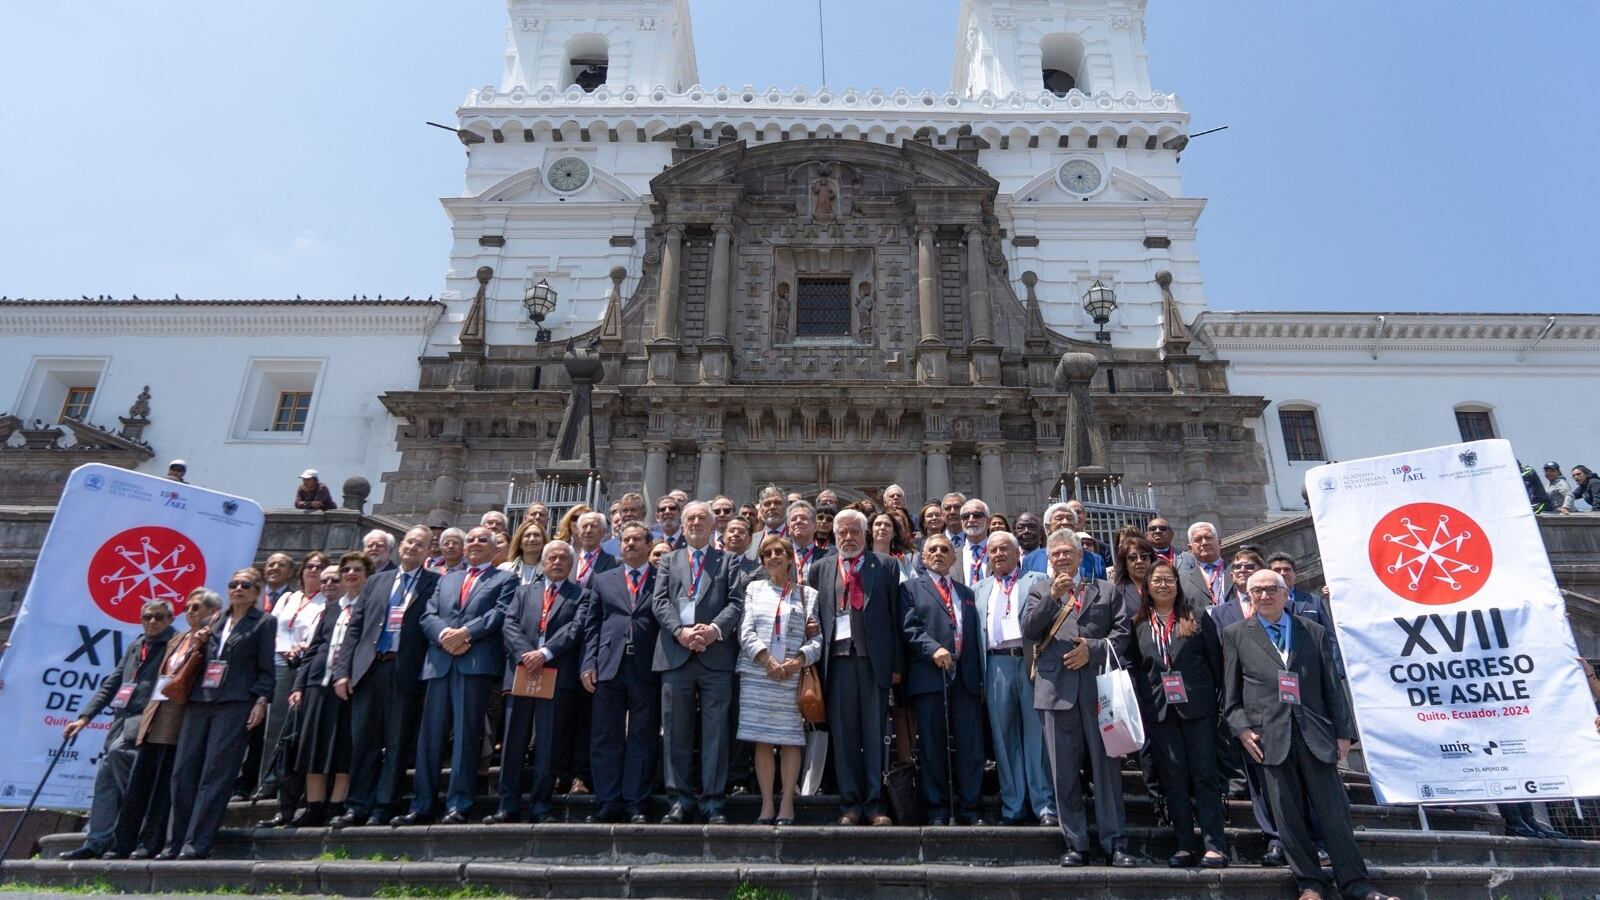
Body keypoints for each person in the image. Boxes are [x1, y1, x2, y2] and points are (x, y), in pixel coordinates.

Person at [1223, 570, 1399, 900]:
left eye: (1270, 589)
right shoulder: (1235, 635)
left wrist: (1343, 732)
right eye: (1256, 591)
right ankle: (1310, 884)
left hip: (1315, 734)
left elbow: (1332, 684)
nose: (1264, 596)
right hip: (1269, 738)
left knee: (1335, 814)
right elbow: (1231, 695)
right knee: (1287, 817)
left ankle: (1356, 884)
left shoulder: (1312, 631)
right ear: (1249, 596)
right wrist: (1242, 729)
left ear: (1285, 593)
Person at [1020, 528, 1132, 868]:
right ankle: (1076, 843)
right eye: (1055, 554)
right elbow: (1028, 631)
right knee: (1064, 773)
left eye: (1067, 553)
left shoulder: (1106, 591)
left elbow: (1123, 634)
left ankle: (1116, 842)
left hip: (1098, 690)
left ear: (1081, 556)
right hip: (1055, 692)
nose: (1062, 558)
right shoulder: (1040, 591)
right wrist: (1054, 598)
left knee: (1107, 771)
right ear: (1048, 559)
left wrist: (1093, 650)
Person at [397, 527, 517, 826]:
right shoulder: (445, 578)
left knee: (466, 736)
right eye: (471, 539)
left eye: (483, 540)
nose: (475, 543)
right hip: (440, 662)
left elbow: (500, 613)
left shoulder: (505, 578)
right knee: (430, 737)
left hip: (474, 663)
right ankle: (422, 803)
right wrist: (443, 635)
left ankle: (458, 803)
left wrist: (466, 633)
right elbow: (428, 615)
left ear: (495, 549)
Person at [162, 568, 276, 860]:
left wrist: (261, 700)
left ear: (256, 591)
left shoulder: (263, 622)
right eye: (233, 584)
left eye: (245, 585)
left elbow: (266, 668)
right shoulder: (215, 620)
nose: (238, 588)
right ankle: (174, 842)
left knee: (216, 773)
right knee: (183, 771)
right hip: (200, 699)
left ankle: (197, 843)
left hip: (235, 702)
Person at [330, 526, 439, 827]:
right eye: (409, 542)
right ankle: (357, 805)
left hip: (405, 671)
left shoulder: (434, 584)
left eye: (421, 544)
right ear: (401, 546)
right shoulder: (376, 581)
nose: (413, 547)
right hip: (369, 669)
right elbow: (355, 629)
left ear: (429, 551)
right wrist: (343, 673)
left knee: (397, 741)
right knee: (363, 741)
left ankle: (384, 805)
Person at [58, 600, 177, 860]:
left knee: (122, 765)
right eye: (147, 617)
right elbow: (113, 682)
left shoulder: (175, 643)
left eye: (159, 617)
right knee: (106, 779)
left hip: (147, 723)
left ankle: (138, 832)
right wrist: (84, 717)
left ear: (170, 619)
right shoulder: (137, 644)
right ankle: (96, 841)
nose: (153, 622)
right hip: (121, 721)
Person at [1128, 561, 1227, 868]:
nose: (1162, 585)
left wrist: (1219, 708)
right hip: (1160, 713)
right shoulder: (1139, 624)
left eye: (1168, 580)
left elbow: (1216, 664)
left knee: (1204, 776)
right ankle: (1184, 844)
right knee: (1174, 778)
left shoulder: (1196, 617)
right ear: (1147, 587)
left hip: (1198, 710)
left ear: (1177, 584)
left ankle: (1215, 845)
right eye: (1156, 580)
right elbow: (1137, 669)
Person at [652, 500, 745, 824]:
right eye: (690, 518)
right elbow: (660, 601)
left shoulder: (729, 561)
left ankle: (712, 802)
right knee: (675, 731)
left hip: (715, 656)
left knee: (716, 734)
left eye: (701, 519)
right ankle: (679, 801)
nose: (695, 523)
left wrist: (714, 630)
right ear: (683, 523)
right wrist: (680, 632)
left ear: (711, 526)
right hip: (676, 656)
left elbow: (736, 602)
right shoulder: (668, 559)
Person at [809, 509, 903, 825]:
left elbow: (896, 618)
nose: (849, 538)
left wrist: (896, 664)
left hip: (873, 662)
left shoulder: (887, 566)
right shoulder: (820, 568)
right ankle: (849, 804)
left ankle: (875, 805)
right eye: (843, 532)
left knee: (875, 734)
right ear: (835, 536)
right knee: (844, 735)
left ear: (866, 535)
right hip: (835, 664)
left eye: (854, 532)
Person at [111, 589, 218, 859]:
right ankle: (124, 842)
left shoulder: (212, 640)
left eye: (196, 608)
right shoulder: (177, 640)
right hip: (156, 711)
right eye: (187, 608)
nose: (190, 613)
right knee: (141, 781)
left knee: (163, 785)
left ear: (211, 612)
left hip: (179, 715)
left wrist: (201, 643)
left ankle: (152, 842)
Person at [488, 541, 589, 823]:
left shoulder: (581, 595)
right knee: (513, 741)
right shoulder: (522, 592)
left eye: (562, 559)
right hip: (522, 671)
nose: (557, 562)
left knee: (548, 742)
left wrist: (545, 653)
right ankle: (506, 805)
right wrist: (526, 654)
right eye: (551, 558)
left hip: (555, 672)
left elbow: (576, 629)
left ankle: (541, 805)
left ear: (571, 566)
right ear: (543, 563)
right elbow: (509, 624)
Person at [737, 535, 823, 825]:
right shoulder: (753, 589)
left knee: (789, 740)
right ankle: (766, 804)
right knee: (762, 739)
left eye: (779, 552)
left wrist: (798, 660)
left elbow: (817, 639)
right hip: (759, 673)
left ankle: (787, 802)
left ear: (790, 558)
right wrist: (766, 660)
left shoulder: (808, 595)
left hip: (791, 675)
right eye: (767, 553)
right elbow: (745, 630)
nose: (773, 557)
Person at [900, 534, 984, 826]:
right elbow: (909, 628)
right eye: (932, 549)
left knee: (971, 746)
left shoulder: (967, 592)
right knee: (933, 746)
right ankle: (936, 808)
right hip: (930, 675)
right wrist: (932, 648)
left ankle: (971, 808)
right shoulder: (910, 588)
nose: (938, 553)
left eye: (944, 549)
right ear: (923, 558)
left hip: (966, 678)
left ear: (954, 557)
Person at [974, 531, 1056, 827]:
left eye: (1003, 549)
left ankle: (1044, 804)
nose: (997, 554)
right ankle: (1013, 804)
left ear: (1017, 553)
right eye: (992, 550)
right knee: (1004, 738)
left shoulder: (1034, 580)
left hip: (1031, 663)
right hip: (996, 666)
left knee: (1038, 736)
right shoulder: (979, 588)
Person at [582, 522, 662, 824]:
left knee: (642, 735)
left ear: (648, 544)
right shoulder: (602, 579)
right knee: (606, 736)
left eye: (635, 540)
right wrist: (588, 664)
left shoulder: (661, 578)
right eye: (625, 540)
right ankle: (608, 800)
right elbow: (591, 625)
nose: (629, 544)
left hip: (646, 666)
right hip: (608, 665)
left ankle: (635, 802)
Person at [288, 554, 370, 826]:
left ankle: (337, 804)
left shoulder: (369, 607)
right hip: (317, 683)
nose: (350, 574)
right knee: (313, 744)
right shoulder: (331, 608)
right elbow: (312, 649)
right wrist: (299, 685)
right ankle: (314, 805)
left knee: (343, 746)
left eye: (356, 570)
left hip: (350, 686)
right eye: (346, 570)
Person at [258, 552, 328, 824]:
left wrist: (298, 650)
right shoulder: (288, 598)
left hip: (300, 666)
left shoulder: (326, 601)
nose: (314, 570)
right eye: (310, 566)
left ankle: (283, 782)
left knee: (288, 728)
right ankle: (266, 780)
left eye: (320, 567)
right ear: (301, 571)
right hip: (275, 661)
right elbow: (272, 628)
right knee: (269, 728)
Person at [1266, 553, 1344, 677]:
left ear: (1294, 574)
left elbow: (1329, 638)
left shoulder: (1314, 601)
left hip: (1313, 672)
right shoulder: (1262, 604)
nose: (1282, 573)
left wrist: (1337, 672)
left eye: (1287, 569)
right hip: (1278, 674)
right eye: (1276, 570)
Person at [1177, 522, 1226, 606]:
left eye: (1209, 537)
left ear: (1219, 543)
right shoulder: (1182, 581)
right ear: (1190, 548)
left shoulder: (1239, 570)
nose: (1204, 543)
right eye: (1198, 540)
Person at [786, 501, 825, 584]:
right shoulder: (780, 556)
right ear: (788, 528)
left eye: (804, 518)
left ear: (815, 526)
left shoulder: (828, 557)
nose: (798, 521)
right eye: (793, 519)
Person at [954, 499, 991, 585]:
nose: (971, 520)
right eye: (966, 516)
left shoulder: (1000, 552)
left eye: (977, 515)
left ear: (988, 522)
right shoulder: (952, 556)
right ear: (961, 522)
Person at [870, 510, 915, 580]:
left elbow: (915, 586)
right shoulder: (861, 559)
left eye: (887, 525)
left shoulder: (903, 560)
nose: (882, 527)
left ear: (894, 533)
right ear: (871, 530)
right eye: (878, 524)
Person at [502, 519, 547, 584]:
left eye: (536, 535)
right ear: (520, 543)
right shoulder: (505, 569)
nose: (532, 539)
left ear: (544, 542)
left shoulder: (550, 570)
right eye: (527, 535)